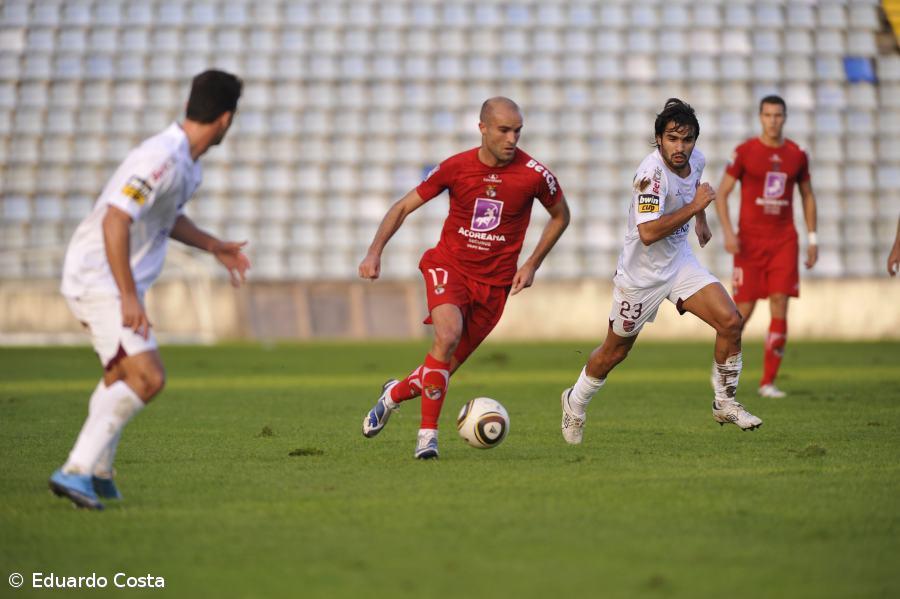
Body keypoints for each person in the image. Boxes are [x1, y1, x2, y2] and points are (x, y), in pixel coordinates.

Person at [49, 70, 249, 510]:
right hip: (97, 278)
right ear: (226, 119)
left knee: (120, 373)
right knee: (148, 377)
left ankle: (99, 474)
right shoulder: (159, 158)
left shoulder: (187, 165)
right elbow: (115, 219)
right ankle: (75, 471)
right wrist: (128, 296)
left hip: (108, 279)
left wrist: (213, 245)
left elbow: (166, 216)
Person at [358, 97, 570, 459]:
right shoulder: (455, 167)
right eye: (504, 130)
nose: (512, 138)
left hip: (495, 287)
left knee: (439, 367)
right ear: (483, 128)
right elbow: (403, 206)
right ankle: (428, 438)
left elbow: (560, 216)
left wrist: (532, 263)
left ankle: (393, 394)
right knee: (448, 335)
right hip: (449, 267)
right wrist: (374, 251)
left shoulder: (536, 175)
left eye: (517, 130)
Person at [559, 98, 762, 445]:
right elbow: (649, 233)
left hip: (680, 262)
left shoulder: (696, 160)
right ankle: (574, 402)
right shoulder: (650, 175)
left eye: (686, 139)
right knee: (615, 352)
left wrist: (700, 219)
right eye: (672, 139)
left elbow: (694, 190)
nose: (680, 147)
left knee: (731, 321)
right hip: (641, 276)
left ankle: (724, 402)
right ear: (658, 139)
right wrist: (696, 208)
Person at [714, 95, 818, 398]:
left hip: (784, 239)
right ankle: (722, 369)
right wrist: (729, 233)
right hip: (749, 241)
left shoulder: (797, 155)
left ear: (784, 118)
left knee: (780, 303)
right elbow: (722, 194)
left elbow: (808, 195)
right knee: (741, 311)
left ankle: (768, 382)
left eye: (778, 115)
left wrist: (813, 237)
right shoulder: (745, 152)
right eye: (768, 115)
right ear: (760, 117)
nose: (773, 120)